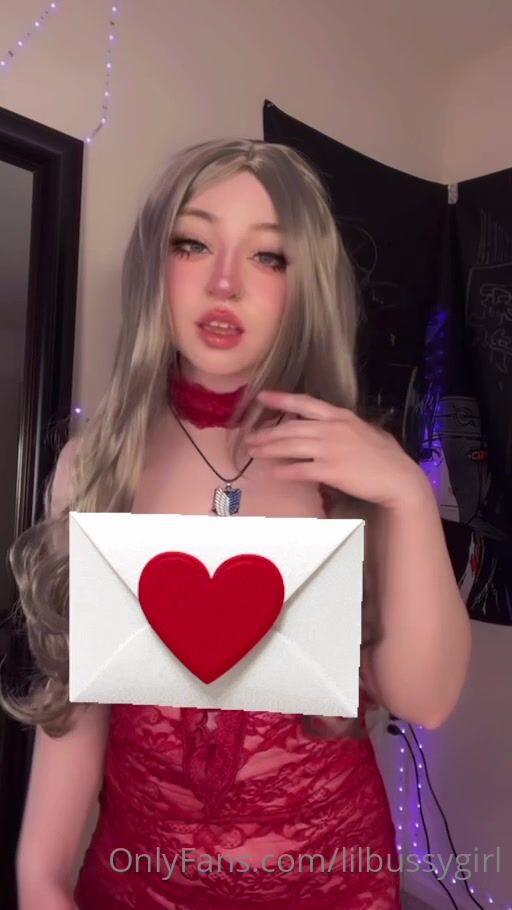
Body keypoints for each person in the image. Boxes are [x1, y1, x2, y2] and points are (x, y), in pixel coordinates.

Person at [3, 138, 472, 910]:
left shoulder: (351, 466)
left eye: (268, 256)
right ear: (156, 264)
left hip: (334, 884)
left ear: (306, 284)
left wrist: (407, 496)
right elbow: (74, 704)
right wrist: (39, 877)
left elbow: (426, 700)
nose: (224, 282)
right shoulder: (98, 466)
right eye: (193, 243)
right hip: (136, 885)